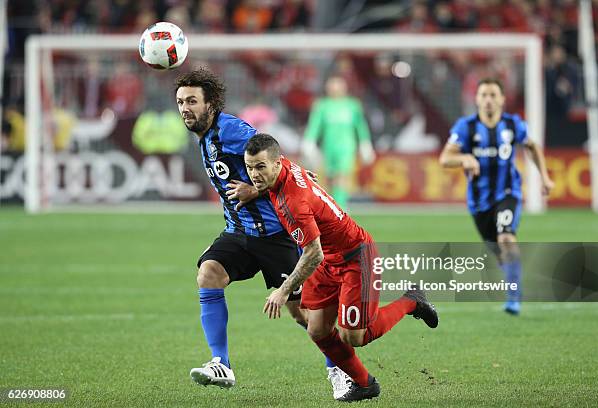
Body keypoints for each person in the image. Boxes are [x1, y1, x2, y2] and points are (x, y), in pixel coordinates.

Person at [175, 67, 351, 397]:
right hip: (239, 233)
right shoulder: (205, 138)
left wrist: (265, 187)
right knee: (208, 273)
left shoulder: (230, 130)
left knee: (307, 316)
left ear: (211, 103)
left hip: (276, 235)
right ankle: (221, 363)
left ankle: (340, 370)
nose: (185, 108)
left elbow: (273, 158)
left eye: (192, 101)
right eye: (181, 102)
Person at [243, 133, 438, 402]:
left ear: (276, 164)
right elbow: (291, 176)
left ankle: (411, 301)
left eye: (260, 167)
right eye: (249, 167)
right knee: (317, 329)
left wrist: (283, 290)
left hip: (355, 257)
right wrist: (255, 188)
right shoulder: (285, 166)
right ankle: (364, 384)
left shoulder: (293, 203)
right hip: (330, 259)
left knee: (354, 336)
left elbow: (312, 253)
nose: (253, 173)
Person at [439, 78, 555, 315]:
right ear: (477, 99)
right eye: (483, 95)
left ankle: (514, 297)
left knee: (506, 238)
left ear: (502, 99)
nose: (488, 100)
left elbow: (532, 147)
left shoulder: (513, 125)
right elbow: (444, 158)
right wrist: (465, 159)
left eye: (493, 95)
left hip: (508, 193)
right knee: (500, 252)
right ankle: (513, 278)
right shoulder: (466, 127)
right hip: (478, 203)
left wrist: (544, 176)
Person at [302, 75, 375, 209]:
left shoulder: (352, 105)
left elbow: (360, 125)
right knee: (330, 178)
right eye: (332, 85)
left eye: (337, 85)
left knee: (342, 175)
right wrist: (309, 141)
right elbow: (315, 125)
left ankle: (341, 208)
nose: (334, 88)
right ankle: (332, 207)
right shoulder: (322, 105)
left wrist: (365, 143)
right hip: (329, 147)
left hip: (347, 147)